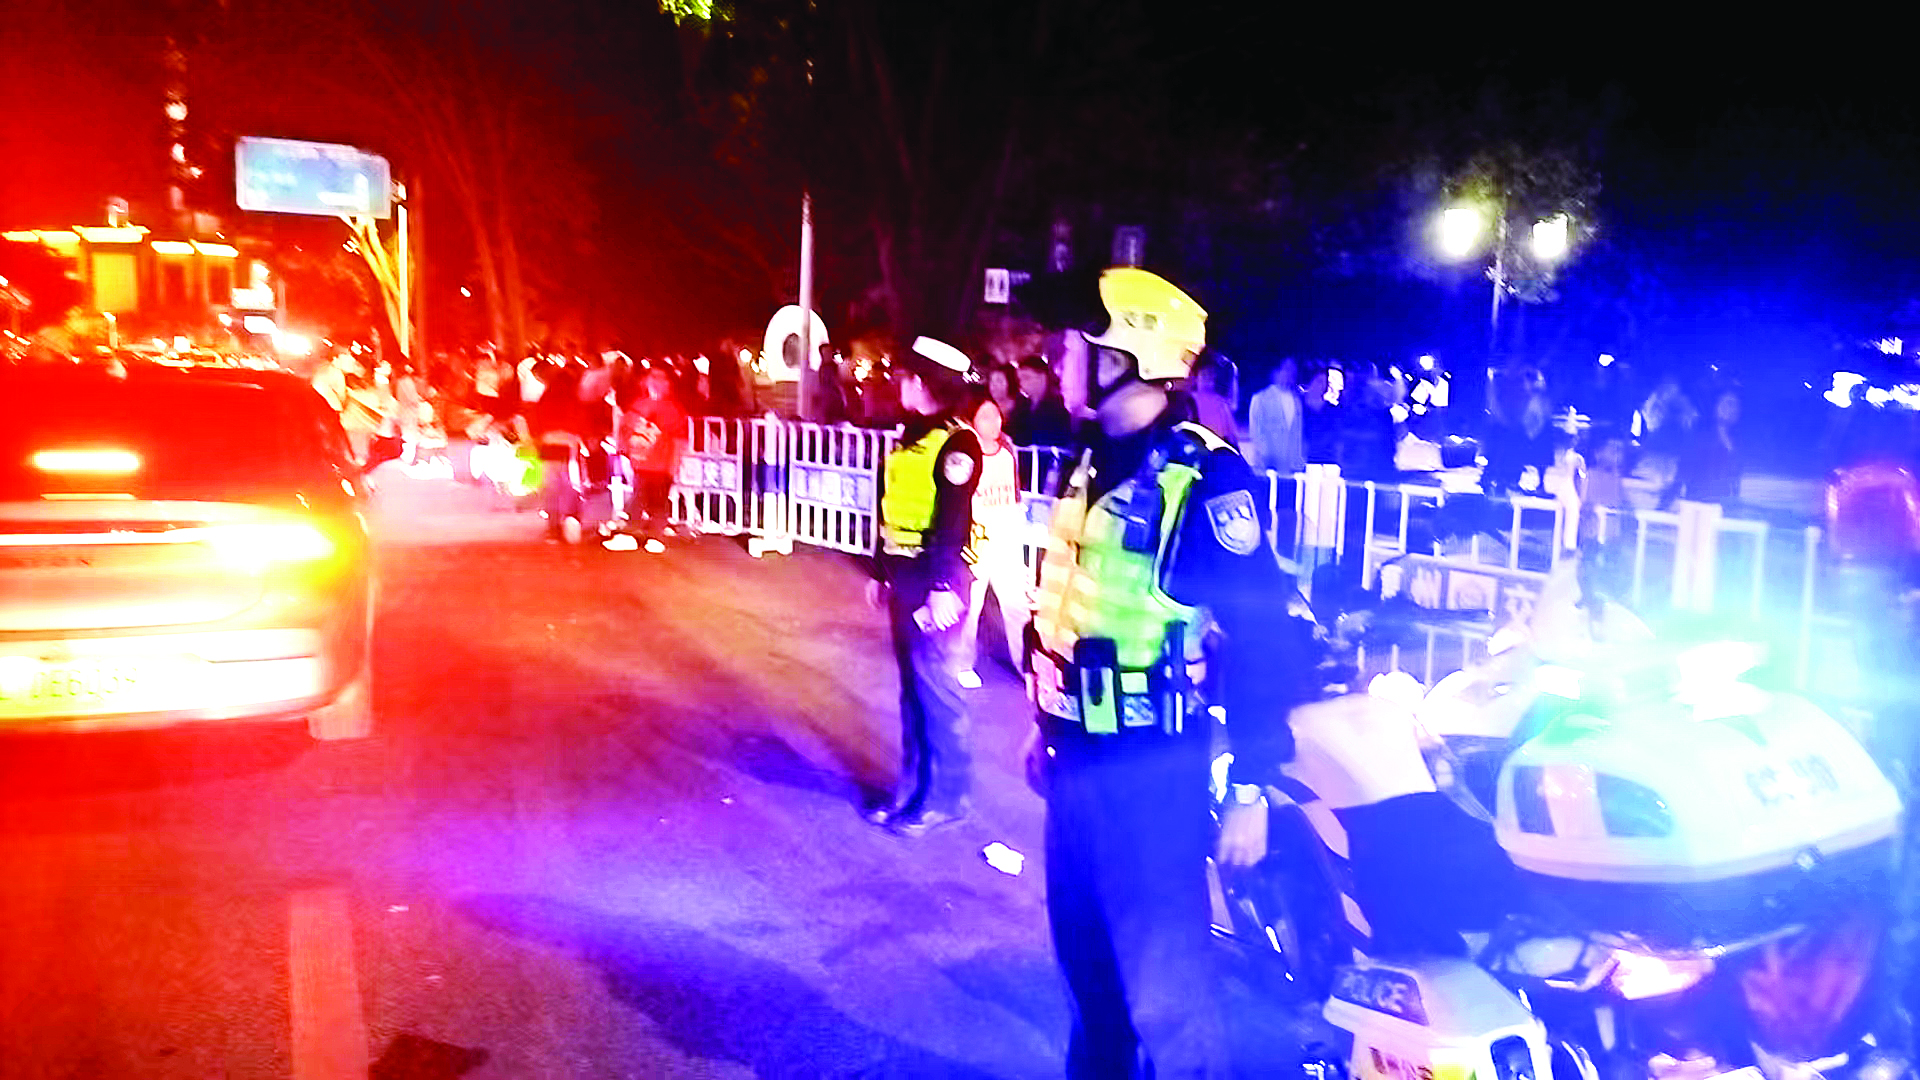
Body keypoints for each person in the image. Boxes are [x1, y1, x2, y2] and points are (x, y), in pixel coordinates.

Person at [1023, 267, 1317, 1078]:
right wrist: (1044, 726)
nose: (1060, 357)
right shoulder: (1088, 458)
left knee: (1166, 996)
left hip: (1152, 772)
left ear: (1131, 354)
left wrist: (1253, 786)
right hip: (1076, 758)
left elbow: (1264, 636)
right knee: (1088, 977)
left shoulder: (1205, 478)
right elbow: (1072, 607)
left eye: (1077, 343)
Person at [864, 335, 983, 837]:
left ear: (924, 382)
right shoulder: (912, 436)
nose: (900, 384)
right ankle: (912, 788)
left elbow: (952, 520)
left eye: (907, 377)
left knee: (936, 688)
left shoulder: (958, 443)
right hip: (905, 575)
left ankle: (948, 797)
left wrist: (941, 586)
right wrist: (878, 570)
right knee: (913, 689)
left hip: (937, 580)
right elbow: (890, 508)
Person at [955, 389, 1028, 689]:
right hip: (976, 539)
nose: (994, 421)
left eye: (996, 414)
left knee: (1017, 606)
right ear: (971, 420)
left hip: (1007, 535)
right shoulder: (964, 454)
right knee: (970, 604)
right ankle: (960, 664)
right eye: (985, 416)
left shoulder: (1007, 448)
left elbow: (1015, 491)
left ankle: (1027, 666)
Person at [604, 365, 688, 552]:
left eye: (661, 378)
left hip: (660, 464)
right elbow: (626, 426)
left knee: (656, 500)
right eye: (653, 377)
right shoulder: (639, 404)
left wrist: (673, 466)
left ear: (668, 383)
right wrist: (624, 447)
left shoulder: (672, 409)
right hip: (640, 462)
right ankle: (639, 535)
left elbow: (679, 440)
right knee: (640, 497)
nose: (656, 382)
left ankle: (648, 536)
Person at [1662, 386, 1742, 508]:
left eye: (1733, 405)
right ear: (1716, 406)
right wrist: (1668, 499)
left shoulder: (1740, 442)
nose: (1728, 409)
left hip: (1722, 505)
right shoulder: (1700, 436)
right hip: (1696, 502)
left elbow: (1735, 474)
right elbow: (1683, 469)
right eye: (1725, 403)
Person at [1247, 356, 1304, 476]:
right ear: (1275, 372)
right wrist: (1265, 455)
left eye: (1293, 369)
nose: (1290, 373)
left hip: (1291, 467)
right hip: (1268, 465)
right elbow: (1256, 431)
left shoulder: (1297, 400)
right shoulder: (1261, 398)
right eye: (1287, 369)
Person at [1010, 355, 1076, 448]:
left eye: (1026, 377)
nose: (1022, 383)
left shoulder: (1057, 409)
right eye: (1020, 379)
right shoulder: (1021, 406)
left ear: (1042, 377)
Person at [1187, 350, 1241, 447]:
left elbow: (1231, 436)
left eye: (1212, 374)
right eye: (1205, 374)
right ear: (1196, 377)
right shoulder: (1189, 401)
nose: (1209, 378)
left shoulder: (1220, 402)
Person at [985, 363, 1024, 429]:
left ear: (1010, 382)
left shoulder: (1023, 410)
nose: (993, 385)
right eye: (991, 381)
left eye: (999, 381)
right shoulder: (985, 405)